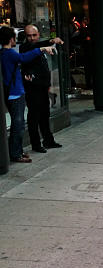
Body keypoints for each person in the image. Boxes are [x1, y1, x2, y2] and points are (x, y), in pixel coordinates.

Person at [1, 26, 55, 163]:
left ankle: (17, 151)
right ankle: (16, 153)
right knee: (18, 125)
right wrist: (42, 49)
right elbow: (23, 58)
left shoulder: (5, 53)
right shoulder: (10, 53)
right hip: (15, 94)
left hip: (14, 92)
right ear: (11, 39)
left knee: (19, 124)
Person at [19, 24, 64, 153]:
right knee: (34, 117)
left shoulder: (39, 47)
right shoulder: (25, 47)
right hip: (32, 88)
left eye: (34, 35)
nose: (32, 38)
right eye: (29, 36)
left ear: (38, 35)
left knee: (45, 115)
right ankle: (36, 144)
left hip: (43, 87)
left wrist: (48, 85)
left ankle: (48, 140)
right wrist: (49, 41)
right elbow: (34, 47)